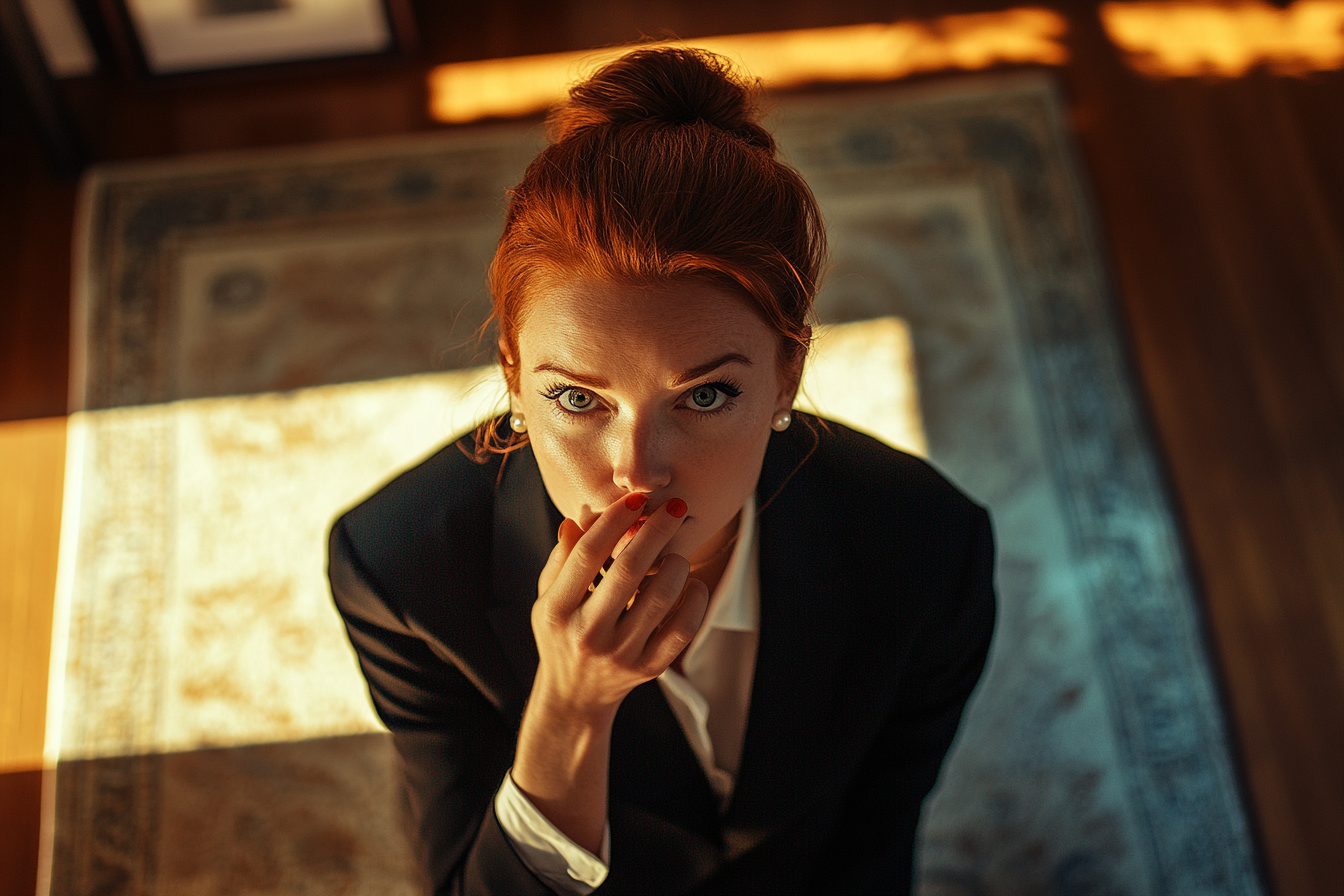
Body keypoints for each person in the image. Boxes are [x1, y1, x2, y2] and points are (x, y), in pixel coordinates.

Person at [328, 46, 995, 896]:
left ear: (787, 374)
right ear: (511, 376)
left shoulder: (930, 546)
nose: (638, 471)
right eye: (577, 399)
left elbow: (874, 850)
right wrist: (571, 706)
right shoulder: (398, 573)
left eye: (707, 396)